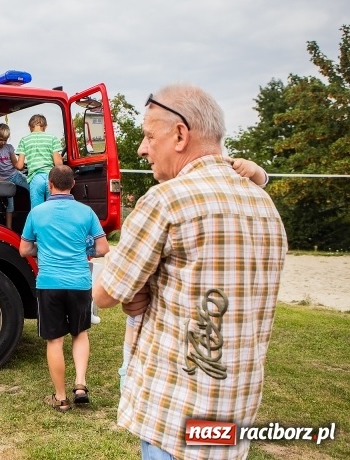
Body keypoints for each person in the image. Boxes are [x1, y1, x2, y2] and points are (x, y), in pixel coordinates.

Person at [93, 84, 287, 460]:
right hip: (234, 410)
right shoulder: (264, 204)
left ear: (180, 134)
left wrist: (136, 287)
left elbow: (104, 293)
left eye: (149, 136)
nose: (142, 148)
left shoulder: (166, 200)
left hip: (175, 417)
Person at [115, 157, 269, 392]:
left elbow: (256, 184)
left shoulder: (220, 202)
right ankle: (129, 373)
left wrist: (257, 171)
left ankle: (132, 373)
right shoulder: (172, 203)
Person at [19, 165, 109, 412]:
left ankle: (60, 398)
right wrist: (84, 250)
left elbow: (24, 249)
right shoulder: (86, 212)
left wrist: (43, 249)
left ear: (49, 185)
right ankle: (80, 384)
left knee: (55, 340)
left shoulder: (37, 213)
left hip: (49, 283)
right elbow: (102, 249)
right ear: (73, 185)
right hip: (80, 282)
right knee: (79, 333)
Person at [0, 123, 29, 229]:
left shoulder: (9, 148)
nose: (3, 142)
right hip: (4, 181)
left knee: (31, 189)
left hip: (15, 175)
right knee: (10, 205)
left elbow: (15, 163)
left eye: (5, 140)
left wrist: (22, 166)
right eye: (1, 139)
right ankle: (9, 229)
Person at [15, 114, 64, 209]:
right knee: (52, 208)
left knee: (37, 211)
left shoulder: (24, 140)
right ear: (45, 126)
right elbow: (58, 164)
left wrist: (13, 163)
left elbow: (20, 166)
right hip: (51, 178)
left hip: (35, 179)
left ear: (30, 127)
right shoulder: (52, 138)